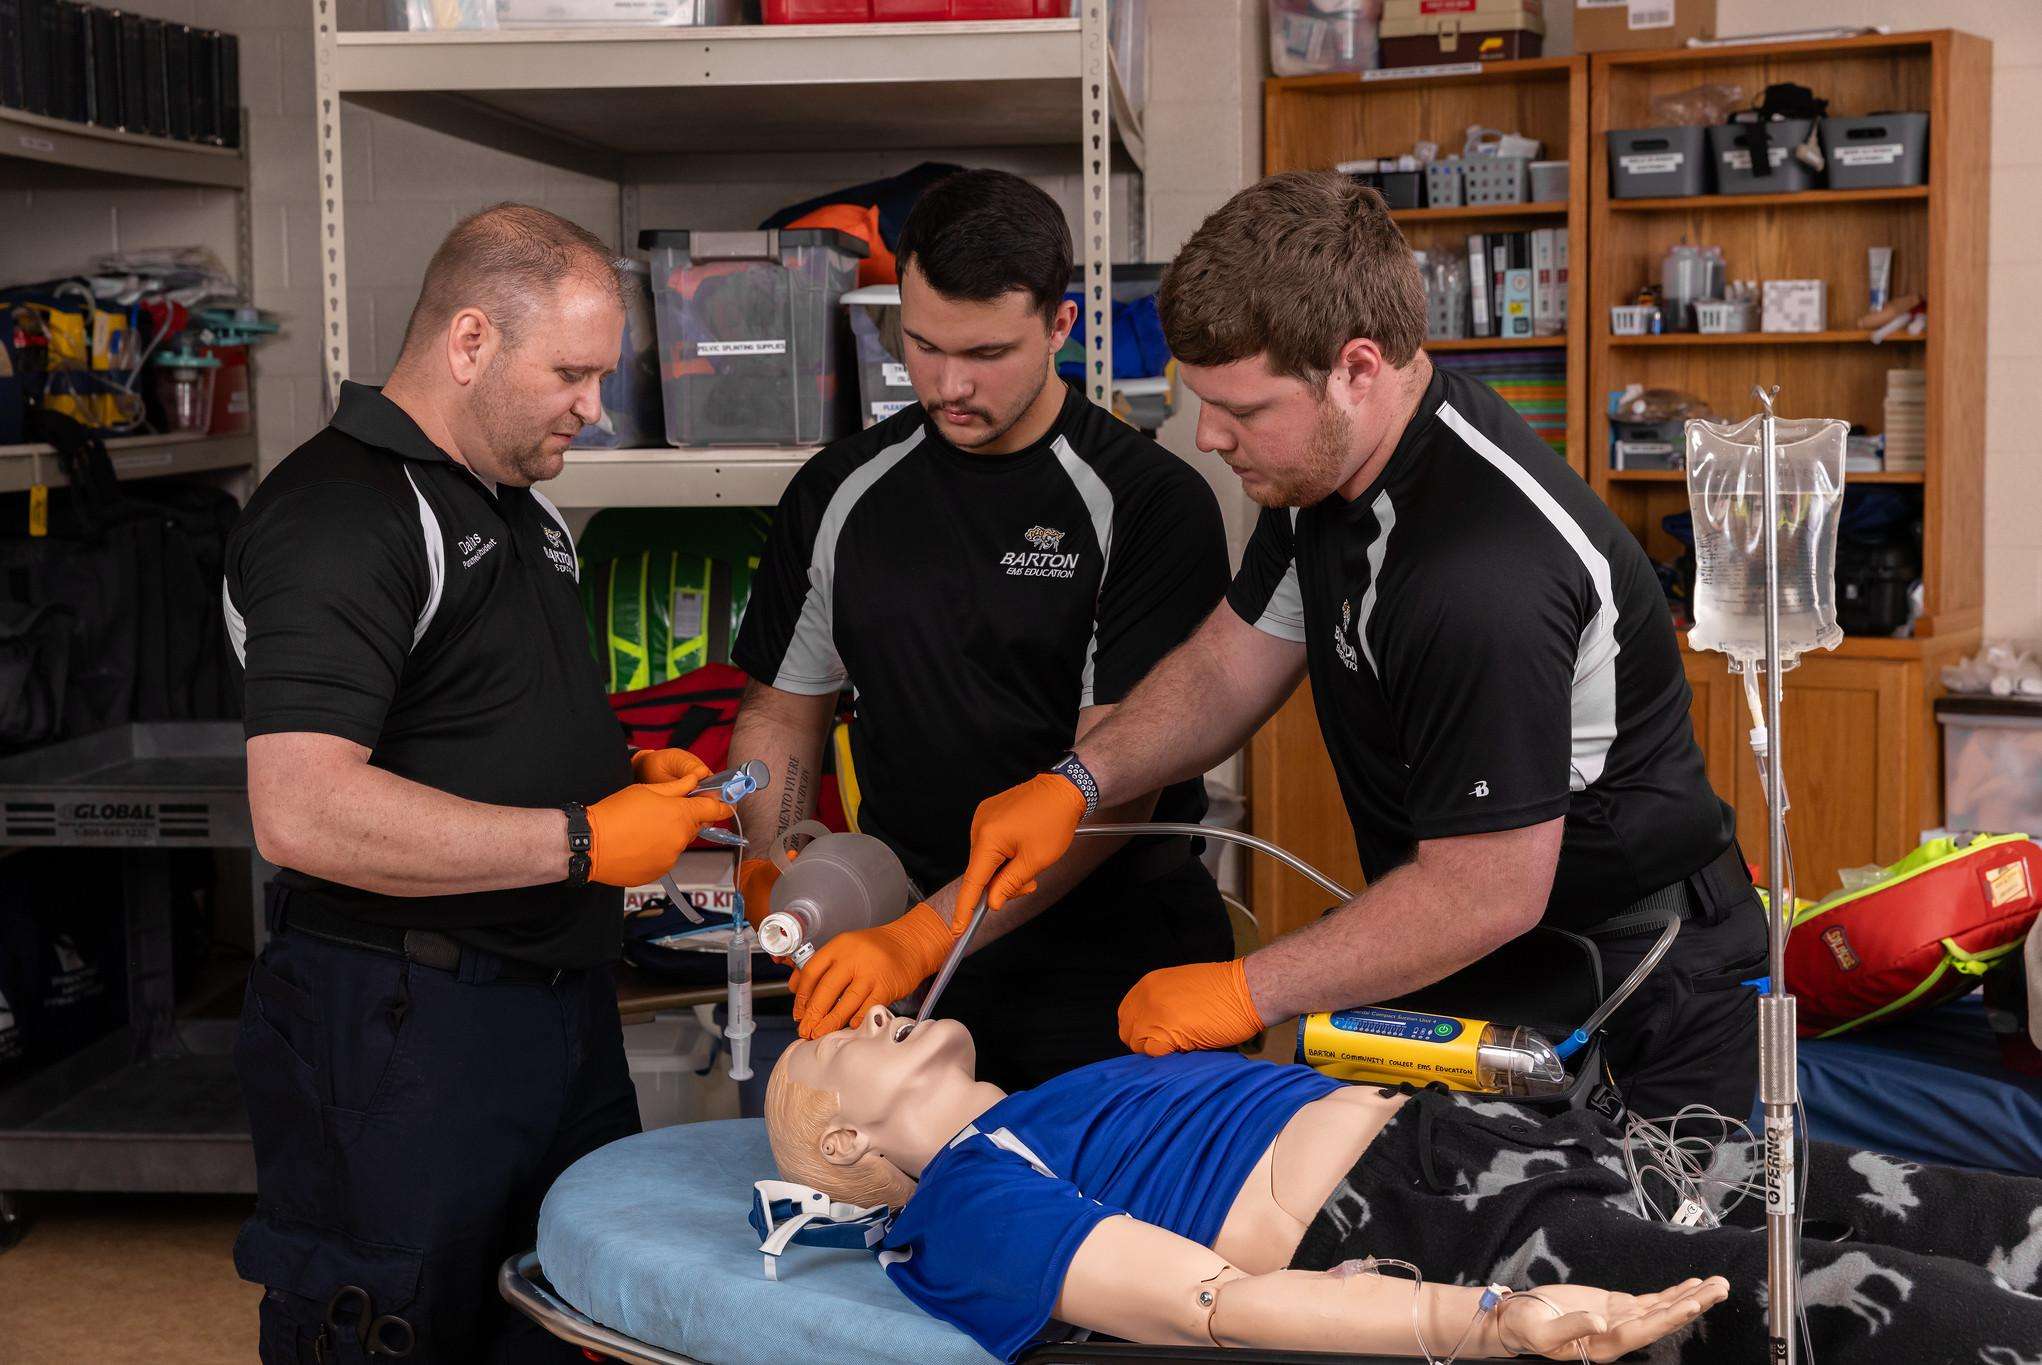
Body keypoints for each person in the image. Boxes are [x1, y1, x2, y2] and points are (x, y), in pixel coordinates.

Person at [953, 172, 1769, 1120]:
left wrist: (1245, 988)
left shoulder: (1476, 572)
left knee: (1623, 1222)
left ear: (1356, 368)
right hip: (1502, 951)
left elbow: (1485, 893)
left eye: (1243, 410)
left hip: (1635, 990)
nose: (1208, 436)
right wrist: (1077, 781)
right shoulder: (1327, 476)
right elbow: (1225, 667)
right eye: (1201, 400)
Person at [225, 204, 733, 1363]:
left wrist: (620, 773)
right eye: (571, 374)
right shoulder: (341, 513)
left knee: (568, 1315)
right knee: (395, 1327)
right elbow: (301, 809)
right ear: (469, 342)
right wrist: (581, 841)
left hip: (554, 1013)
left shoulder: (524, 508)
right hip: (399, 1026)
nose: (594, 408)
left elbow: (463, 719)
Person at [726, 168, 1233, 1087]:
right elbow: (780, 710)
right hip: (900, 965)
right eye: (923, 344)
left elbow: (1119, 783)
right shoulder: (839, 491)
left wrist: (925, 937)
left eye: (988, 352)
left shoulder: (1150, 504)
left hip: (1110, 974)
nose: (951, 384)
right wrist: (778, 855)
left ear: (1060, 325)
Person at [764, 1007, 2042, 1363]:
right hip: (1438, 1219)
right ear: (843, 1148)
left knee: (1931, 1197)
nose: (865, 1012)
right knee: (1856, 1296)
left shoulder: (1046, 1097)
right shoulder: (963, 1205)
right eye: (828, 1047)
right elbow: (1209, 1303)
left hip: (1499, 1139)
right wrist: (1479, 1323)